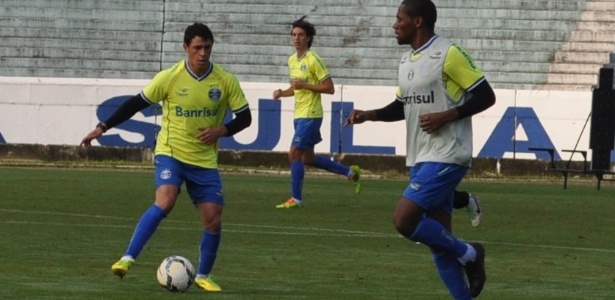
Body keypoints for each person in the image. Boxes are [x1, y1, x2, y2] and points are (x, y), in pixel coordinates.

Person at [80, 22, 252, 293]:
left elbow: (245, 117)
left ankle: (203, 275)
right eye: (197, 48)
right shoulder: (170, 77)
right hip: (170, 152)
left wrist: (222, 129)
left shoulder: (225, 80)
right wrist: (102, 128)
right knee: (166, 200)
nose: (203, 53)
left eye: (207, 47)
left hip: (204, 160)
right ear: (186, 48)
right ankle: (127, 259)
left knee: (213, 219)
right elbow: (135, 104)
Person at [344, 0, 496, 298]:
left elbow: (486, 96)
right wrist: (370, 114)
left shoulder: (448, 54)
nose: (394, 24)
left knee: (404, 219)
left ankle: (471, 253)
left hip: (449, 153)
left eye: (399, 18)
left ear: (417, 21)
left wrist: (447, 115)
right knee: (438, 242)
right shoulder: (406, 62)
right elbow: (403, 106)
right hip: (420, 156)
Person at [273, 16, 361, 209]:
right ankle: (350, 173)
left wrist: (304, 84)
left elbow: (329, 88)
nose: (296, 38)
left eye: (301, 35)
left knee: (294, 153)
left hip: (311, 115)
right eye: (294, 35)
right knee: (307, 158)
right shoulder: (292, 60)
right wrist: (282, 93)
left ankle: (296, 199)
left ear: (308, 38)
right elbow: (297, 89)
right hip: (299, 114)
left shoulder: (314, 59)